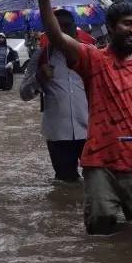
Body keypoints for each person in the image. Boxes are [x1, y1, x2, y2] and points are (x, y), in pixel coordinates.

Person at [28, 0, 132, 235]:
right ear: (110, 28)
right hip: (98, 161)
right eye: (127, 24)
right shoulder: (92, 58)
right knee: (100, 229)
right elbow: (57, 36)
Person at [19, 10, 89, 183]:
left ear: (75, 29)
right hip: (57, 132)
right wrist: (38, 78)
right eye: (56, 27)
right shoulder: (41, 56)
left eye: (66, 26)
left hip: (90, 129)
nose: (61, 31)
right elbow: (24, 94)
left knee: (96, 179)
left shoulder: (90, 54)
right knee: (65, 183)